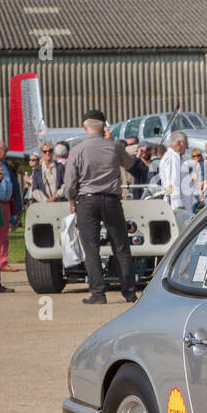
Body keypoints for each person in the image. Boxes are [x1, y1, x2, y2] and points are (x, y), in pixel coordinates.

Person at [62, 110, 137, 304]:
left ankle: (98, 293)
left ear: (85, 127)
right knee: (121, 246)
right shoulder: (114, 147)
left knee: (91, 248)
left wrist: (71, 199)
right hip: (111, 199)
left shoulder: (78, 149)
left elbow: (70, 181)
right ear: (104, 127)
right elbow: (129, 163)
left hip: (87, 200)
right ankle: (129, 292)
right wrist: (114, 142)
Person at [0, 139, 25, 273]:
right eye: (1, 149)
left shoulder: (7, 167)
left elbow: (14, 188)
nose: (4, 152)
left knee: (3, 237)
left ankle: (3, 263)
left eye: (5, 150)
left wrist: (16, 211)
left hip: (6, 205)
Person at [160, 132, 197, 212]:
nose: (187, 147)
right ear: (178, 143)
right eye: (186, 144)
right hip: (177, 208)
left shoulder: (177, 158)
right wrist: (178, 207)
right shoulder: (172, 158)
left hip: (183, 207)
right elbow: (172, 183)